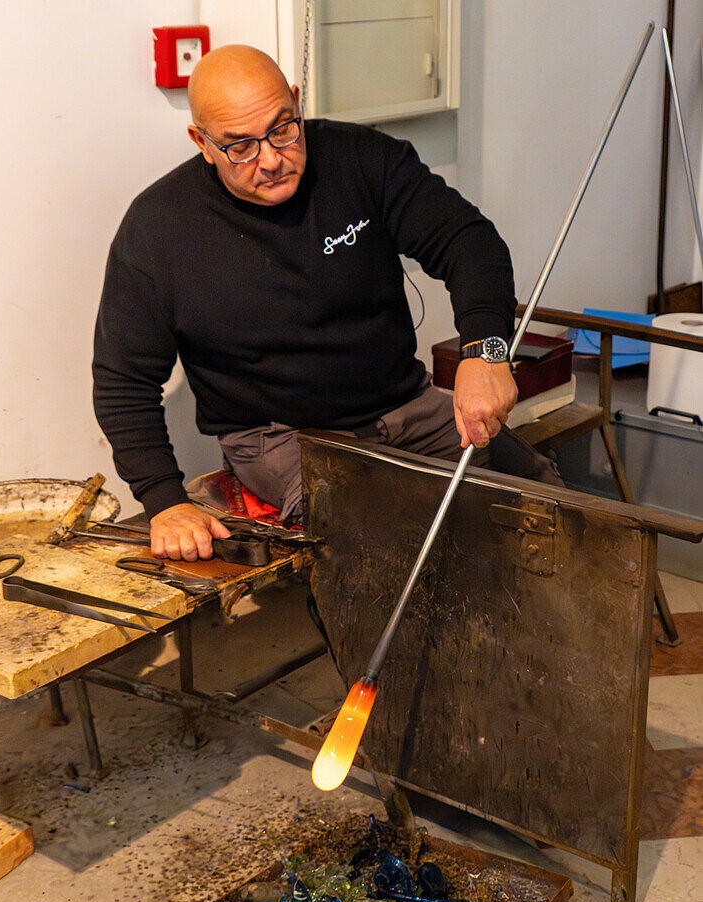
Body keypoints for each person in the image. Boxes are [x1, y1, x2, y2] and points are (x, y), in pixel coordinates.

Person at [93, 45, 558, 562]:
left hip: (404, 406)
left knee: (549, 504)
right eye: (239, 147)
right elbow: (123, 382)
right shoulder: (158, 228)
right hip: (282, 438)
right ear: (201, 143)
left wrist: (485, 351)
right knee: (382, 549)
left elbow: (467, 242)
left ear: (296, 101)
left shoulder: (361, 159)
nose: (270, 159)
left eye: (282, 129)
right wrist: (163, 500)